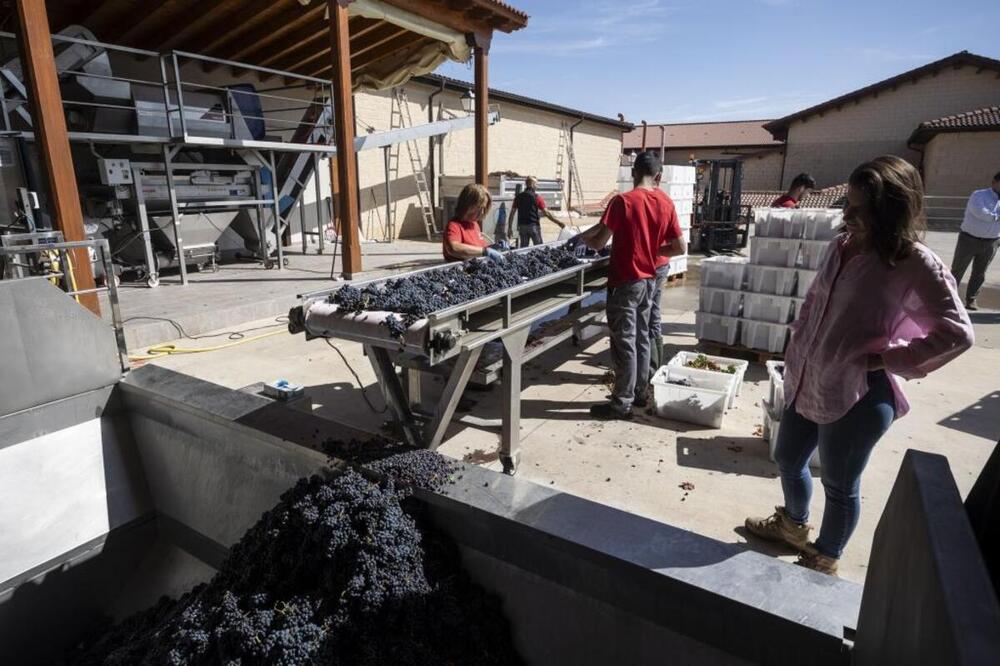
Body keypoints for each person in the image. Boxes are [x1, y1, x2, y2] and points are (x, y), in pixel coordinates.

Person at [745, 156, 974, 575]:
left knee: (839, 484)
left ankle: (825, 556)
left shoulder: (913, 262)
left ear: (890, 212)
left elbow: (958, 332)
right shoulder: (842, 244)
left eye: (859, 207)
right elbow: (816, 299)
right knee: (788, 458)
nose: (846, 214)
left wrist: (887, 358)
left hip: (857, 394)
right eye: (847, 203)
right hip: (808, 378)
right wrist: (798, 338)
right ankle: (794, 526)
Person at [569, 151, 686, 420]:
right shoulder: (665, 202)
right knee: (642, 337)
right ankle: (640, 392)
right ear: (659, 176)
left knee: (624, 342)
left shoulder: (623, 201)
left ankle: (620, 404)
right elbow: (680, 247)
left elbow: (599, 242)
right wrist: (652, 247)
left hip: (625, 280)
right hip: (648, 280)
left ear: (633, 172)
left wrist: (577, 241)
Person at [950, 170, 1000, 311]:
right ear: (994, 182)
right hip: (969, 239)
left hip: (992, 241)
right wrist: (996, 217)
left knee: (980, 272)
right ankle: (948, 297)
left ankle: (971, 299)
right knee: (958, 269)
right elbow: (980, 213)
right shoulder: (979, 195)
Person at [443, 183, 505, 264]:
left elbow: (478, 249)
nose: (482, 212)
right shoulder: (454, 225)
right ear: (468, 205)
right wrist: (485, 251)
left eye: (484, 208)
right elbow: (453, 248)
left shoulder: (475, 225)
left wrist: (493, 247)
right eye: (479, 207)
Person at [509, 176, 565, 247]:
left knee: (523, 250)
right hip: (533, 227)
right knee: (539, 248)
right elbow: (547, 213)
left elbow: (512, 213)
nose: (537, 186)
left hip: (522, 227)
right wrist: (559, 223)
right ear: (532, 184)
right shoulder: (537, 198)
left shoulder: (518, 197)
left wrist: (509, 228)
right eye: (536, 184)